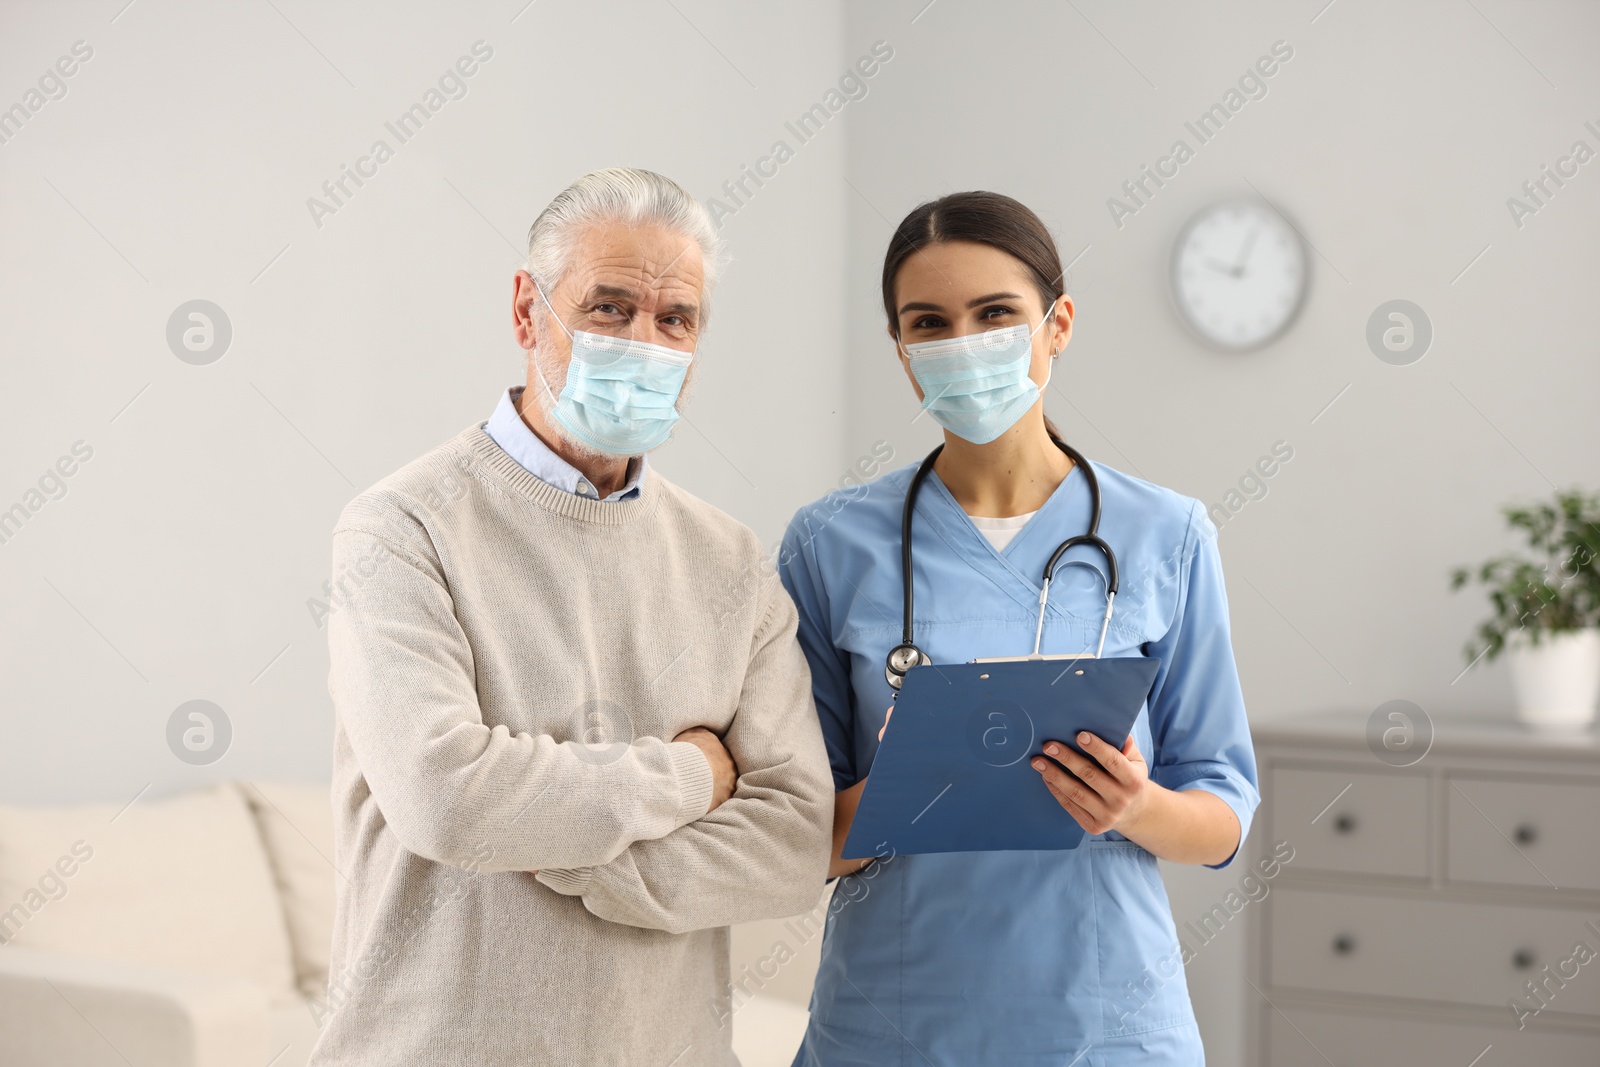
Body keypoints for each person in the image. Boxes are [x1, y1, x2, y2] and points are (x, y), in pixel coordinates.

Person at [311, 167, 833, 1066]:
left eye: (676, 319)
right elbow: (447, 798)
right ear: (527, 311)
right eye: (610, 306)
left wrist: (569, 854)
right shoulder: (402, 526)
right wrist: (692, 776)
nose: (646, 340)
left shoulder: (730, 561)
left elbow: (791, 837)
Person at [778, 191, 1259, 1065]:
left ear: (1058, 322)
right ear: (903, 354)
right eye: (929, 322)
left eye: (995, 313)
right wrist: (901, 785)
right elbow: (791, 835)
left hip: (1106, 1026)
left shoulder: (1168, 534)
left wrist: (1135, 805)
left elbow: (1223, 811)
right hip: (892, 1026)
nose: (962, 342)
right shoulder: (829, 542)